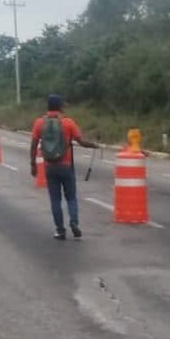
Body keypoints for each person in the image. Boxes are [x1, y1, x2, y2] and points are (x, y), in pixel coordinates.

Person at [30, 94, 99, 239]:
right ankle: (74, 222)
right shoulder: (68, 123)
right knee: (71, 197)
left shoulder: (39, 123)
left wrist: (33, 165)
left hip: (49, 166)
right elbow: (81, 142)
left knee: (55, 200)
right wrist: (93, 145)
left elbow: (34, 144)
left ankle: (60, 230)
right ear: (60, 107)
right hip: (66, 165)